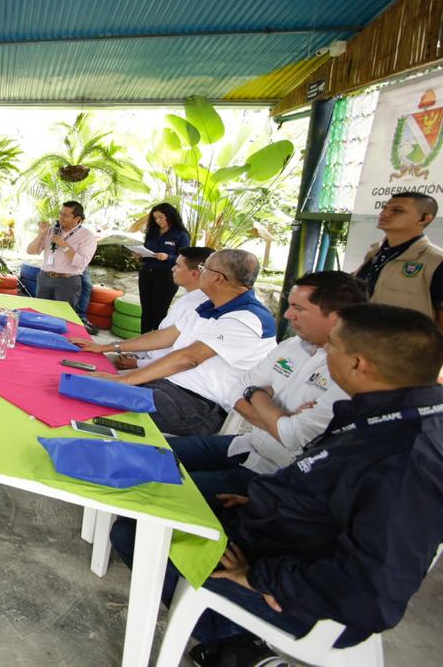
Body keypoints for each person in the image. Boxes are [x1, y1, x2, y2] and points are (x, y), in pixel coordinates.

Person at [111, 304, 443, 666]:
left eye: (333, 346)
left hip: (301, 590)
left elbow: (374, 592)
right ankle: (234, 645)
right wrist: (272, 500)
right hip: (283, 534)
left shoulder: (407, 457)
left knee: (138, 534)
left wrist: (260, 578)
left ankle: (241, 647)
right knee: (149, 511)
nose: (324, 351)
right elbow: (335, 487)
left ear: (358, 364)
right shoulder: (389, 415)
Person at [167, 271, 368, 502]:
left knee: (162, 491)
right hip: (247, 445)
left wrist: (256, 395)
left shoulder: (351, 371)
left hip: (277, 477)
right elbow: (237, 390)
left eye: (299, 308)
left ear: (336, 317)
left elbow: (294, 436)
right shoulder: (293, 345)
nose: (288, 314)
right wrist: (279, 418)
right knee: (151, 454)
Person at [72, 249, 276, 436]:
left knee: (93, 403)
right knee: (83, 386)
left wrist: (122, 381)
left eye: (204, 268)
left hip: (199, 404)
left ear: (217, 278)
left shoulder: (247, 318)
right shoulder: (211, 304)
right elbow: (164, 336)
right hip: (168, 386)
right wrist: (106, 347)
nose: (200, 272)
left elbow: (188, 358)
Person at [116, 246, 215, 370]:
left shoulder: (201, 308)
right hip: (147, 360)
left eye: (178, 266)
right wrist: (136, 354)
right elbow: (158, 337)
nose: (173, 268)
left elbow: (179, 356)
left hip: (157, 370)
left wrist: (136, 363)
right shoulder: (188, 297)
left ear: (195, 273)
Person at [353, 191, 443, 326]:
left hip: (404, 339)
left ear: (424, 219)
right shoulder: (375, 253)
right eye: (384, 208)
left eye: (397, 210)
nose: (384, 213)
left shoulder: (435, 260)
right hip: (359, 334)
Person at [26, 201, 98, 310]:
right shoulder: (52, 230)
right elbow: (31, 251)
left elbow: (81, 263)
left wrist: (64, 245)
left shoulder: (87, 237)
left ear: (77, 219)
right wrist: (41, 234)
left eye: (65, 215)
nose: (61, 217)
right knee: (41, 314)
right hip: (44, 278)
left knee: (62, 316)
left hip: (67, 282)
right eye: (60, 213)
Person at [137, 203, 191, 332]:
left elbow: (185, 258)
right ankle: (143, 339)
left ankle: (157, 341)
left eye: (161, 217)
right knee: (146, 310)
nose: (158, 221)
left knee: (159, 311)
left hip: (167, 276)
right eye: (155, 218)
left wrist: (168, 257)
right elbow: (147, 253)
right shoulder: (152, 233)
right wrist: (139, 256)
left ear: (170, 216)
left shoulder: (181, 235)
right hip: (147, 273)